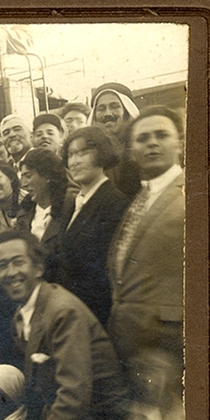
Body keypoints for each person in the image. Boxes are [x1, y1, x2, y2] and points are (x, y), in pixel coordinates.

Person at [0, 231, 132, 420]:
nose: (10, 272)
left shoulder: (62, 311)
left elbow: (74, 394)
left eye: (18, 262)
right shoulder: (23, 315)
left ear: (39, 267)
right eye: (2, 265)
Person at [107, 107, 185, 420]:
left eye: (162, 135)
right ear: (132, 151)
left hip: (171, 348)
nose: (152, 144)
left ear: (180, 143)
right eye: (143, 138)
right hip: (134, 347)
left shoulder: (193, 196)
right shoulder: (140, 198)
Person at [56, 126, 128, 325]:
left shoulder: (116, 203)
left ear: (102, 153)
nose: (75, 161)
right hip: (71, 310)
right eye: (71, 154)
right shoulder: (72, 202)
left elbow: (105, 273)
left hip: (96, 315)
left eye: (84, 152)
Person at [14, 148, 74, 283]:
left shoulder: (71, 206)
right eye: (22, 177)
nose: (23, 184)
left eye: (28, 176)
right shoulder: (24, 213)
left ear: (47, 176)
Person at [90, 82, 142, 198]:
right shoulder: (92, 153)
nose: (107, 114)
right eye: (101, 109)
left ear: (127, 111)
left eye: (114, 106)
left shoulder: (140, 147)